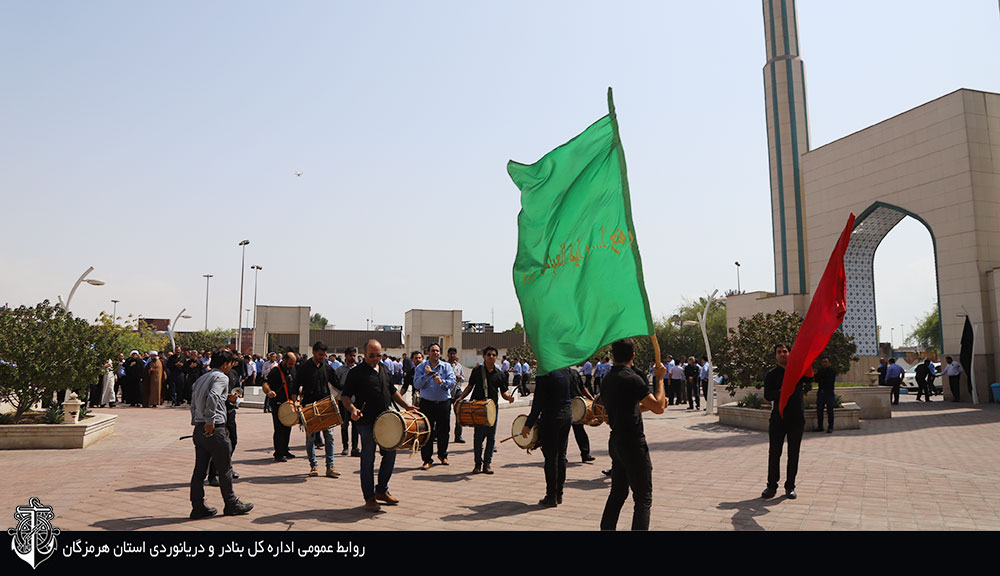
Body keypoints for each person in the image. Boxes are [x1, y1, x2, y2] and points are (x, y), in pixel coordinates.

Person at [340, 339, 417, 512]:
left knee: (390, 453)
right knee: (368, 459)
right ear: (365, 354)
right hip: (366, 422)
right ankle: (369, 497)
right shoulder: (356, 372)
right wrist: (353, 409)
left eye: (379, 354)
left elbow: (392, 391)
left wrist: (406, 406)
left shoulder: (384, 369)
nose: (376, 358)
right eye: (372, 355)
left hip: (386, 420)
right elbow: (345, 396)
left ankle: (382, 490)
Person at [599, 339, 667, 530]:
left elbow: (630, 407)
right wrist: (659, 378)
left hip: (616, 441)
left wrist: (654, 405)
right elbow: (659, 407)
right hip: (633, 443)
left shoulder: (607, 379)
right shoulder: (632, 378)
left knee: (617, 494)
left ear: (613, 356)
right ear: (633, 356)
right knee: (643, 498)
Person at [189, 349, 253, 519]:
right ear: (225, 365)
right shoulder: (222, 377)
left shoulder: (202, 378)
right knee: (225, 468)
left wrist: (198, 420)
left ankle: (197, 506)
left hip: (200, 428)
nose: (231, 367)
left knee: (199, 471)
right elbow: (213, 396)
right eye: (231, 364)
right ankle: (231, 503)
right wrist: (210, 421)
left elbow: (194, 402)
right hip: (214, 428)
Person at [761, 343, 811, 499]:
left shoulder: (798, 372)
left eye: (785, 351)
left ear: (790, 353)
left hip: (796, 418)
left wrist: (806, 357)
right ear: (776, 355)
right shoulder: (771, 374)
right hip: (778, 418)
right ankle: (771, 487)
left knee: (793, 454)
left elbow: (810, 378)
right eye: (779, 352)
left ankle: (790, 487)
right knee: (774, 453)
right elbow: (768, 395)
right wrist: (783, 391)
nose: (782, 354)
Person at [456, 346, 515, 474]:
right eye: (489, 354)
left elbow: (504, 392)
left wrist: (509, 397)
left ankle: (487, 464)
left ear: (497, 357)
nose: (491, 357)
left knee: (491, 437)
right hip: (478, 408)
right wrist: (460, 398)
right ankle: (477, 463)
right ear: (484, 356)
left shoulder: (500, 374)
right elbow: (469, 387)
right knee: (478, 437)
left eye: (494, 355)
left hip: (492, 409)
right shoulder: (477, 371)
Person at [522, 366, 573, 507]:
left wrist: (528, 424)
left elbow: (538, 401)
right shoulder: (566, 370)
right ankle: (559, 494)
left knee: (551, 458)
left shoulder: (545, 372)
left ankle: (551, 497)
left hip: (552, 417)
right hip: (567, 416)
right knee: (561, 456)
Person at [296, 341, 341, 478]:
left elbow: (337, 384)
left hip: (326, 406)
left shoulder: (327, 368)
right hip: (309, 407)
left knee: (330, 437)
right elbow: (296, 386)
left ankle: (330, 466)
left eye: (324, 355)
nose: (323, 357)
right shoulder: (304, 368)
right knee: (310, 439)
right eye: (320, 354)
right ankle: (313, 466)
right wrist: (295, 403)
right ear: (314, 352)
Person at [413, 343, 456, 469]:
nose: (435, 353)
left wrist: (442, 382)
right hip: (427, 403)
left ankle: (443, 455)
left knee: (444, 431)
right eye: (433, 351)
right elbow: (416, 385)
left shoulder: (446, 367)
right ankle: (427, 459)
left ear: (440, 353)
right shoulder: (421, 367)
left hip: (443, 403)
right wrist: (426, 376)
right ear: (428, 352)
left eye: (437, 351)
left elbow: (452, 382)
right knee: (427, 432)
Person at [262, 352, 299, 461]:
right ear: (284, 360)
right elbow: (265, 383)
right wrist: (269, 392)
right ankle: (278, 453)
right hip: (278, 404)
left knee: (288, 427)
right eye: (290, 363)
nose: (291, 366)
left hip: (289, 404)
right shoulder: (275, 371)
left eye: (293, 364)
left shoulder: (292, 370)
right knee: (279, 429)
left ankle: (285, 450)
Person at [335, 347, 361, 457]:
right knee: (344, 425)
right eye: (350, 355)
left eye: (354, 355)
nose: (353, 358)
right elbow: (335, 385)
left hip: (356, 401)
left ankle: (355, 447)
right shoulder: (340, 370)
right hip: (343, 401)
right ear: (345, 356)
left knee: (356, 425)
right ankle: (345, 447)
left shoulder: (359, 370)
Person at [568, 366, 596, 463]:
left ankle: (585, 454)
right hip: (565, 405)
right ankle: (561, 456)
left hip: (577, 405)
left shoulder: (574, 372)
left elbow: (582, 387)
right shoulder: (557, 373)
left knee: (579, 431)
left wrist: (591, 397)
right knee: (563, 432)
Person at [448, 347, 466, 444]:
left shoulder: (459, 366)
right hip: (447, 392)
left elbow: (464, 378)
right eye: (450, 353)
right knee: (445, 416)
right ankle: (441, 435)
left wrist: (460, 377)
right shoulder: (445, 366)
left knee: (459, 414)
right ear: (447, 355)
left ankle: (458, 436)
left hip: (457, 391)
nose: (452, 355)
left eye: (454, 353)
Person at [814, 356, 837, 433]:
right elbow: (816, 380)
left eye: (826, 362)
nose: (824, 363)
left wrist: (821, 378)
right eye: (823, 362)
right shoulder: (820, 371)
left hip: (829, 392)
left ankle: (830, 427)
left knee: (830, 410)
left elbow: (829, 381)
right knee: (819, 410)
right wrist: (816, 374)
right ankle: (820, 426)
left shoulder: (832, 371)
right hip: (821, 392)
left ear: (829, 363)